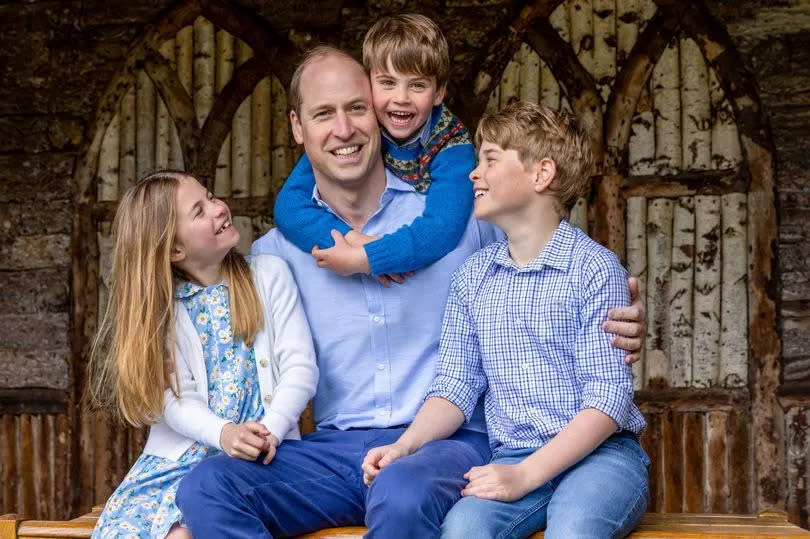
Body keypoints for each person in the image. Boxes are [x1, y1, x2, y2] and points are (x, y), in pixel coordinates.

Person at [176, 48, 646, 539]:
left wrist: (625, 316)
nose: (344, 129)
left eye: (357, 108)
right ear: (298, 127)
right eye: (323, 114)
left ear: (379, 114)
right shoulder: (277, 255)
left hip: (448, 445)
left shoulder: (458, 222)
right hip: (337, 451)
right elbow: (192, 328)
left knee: (403, 493)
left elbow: (546, 259)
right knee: (207, 487)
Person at [362, 101, 650, 539]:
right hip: (513, 454)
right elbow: (455, 388)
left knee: (573, 531)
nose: (473, 173)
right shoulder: (473, 278)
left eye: (490, 160)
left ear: (542, 174)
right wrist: (405, 445)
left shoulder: (594, 270)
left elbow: (608, 399)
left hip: (602, 456)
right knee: (462, 530)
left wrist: (527, 476)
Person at [87, 170, 318, 538]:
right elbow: (175, 400)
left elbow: (300, 367)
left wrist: (271, 430)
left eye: (210, 196)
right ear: (175, 250)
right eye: (199, 211)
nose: (218, 208)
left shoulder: (269, 275)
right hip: (176, 463)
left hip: (258, 458)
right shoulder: (164, 311)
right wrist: (223, 433)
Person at [273, 14, 474, 281]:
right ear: (368, 84)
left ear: (438, 93)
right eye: (388, 83)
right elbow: (289, 208)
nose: (400, 99)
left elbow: (442, 229)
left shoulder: (452, 146)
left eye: (417, 85)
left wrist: (370, 258)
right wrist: (351, 239)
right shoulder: (364, 128)